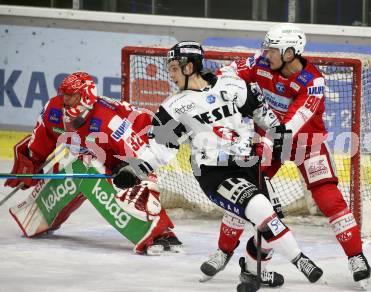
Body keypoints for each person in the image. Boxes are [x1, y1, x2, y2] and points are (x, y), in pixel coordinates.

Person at [113, 41, 324, 289]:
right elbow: (158, 151)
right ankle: (301, 261)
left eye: (173, 68)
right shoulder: (173, 108)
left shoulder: (234, 86)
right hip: (214, 173)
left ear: (189, 66)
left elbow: (267, 119)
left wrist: (276, 138)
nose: (170, 75)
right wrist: (133, 170)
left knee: (272, 223)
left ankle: (252, 270)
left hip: (249, 165)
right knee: (261, 212)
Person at [201, 23, 371, 287]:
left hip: (305, 142)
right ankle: (223, 252)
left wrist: (273, 138)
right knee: (247, 194)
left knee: (330, 199)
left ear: (290, 53)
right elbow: (230, 71)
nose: (266, 54)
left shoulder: (313, 81)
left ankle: (356, 257)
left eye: (272, 50)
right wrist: (222, 83)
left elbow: (295, 121)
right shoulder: (261, 62)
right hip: (269, 138)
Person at [4, 71, 182, 255]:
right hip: (91, 154)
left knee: (120, 183)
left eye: (71, 95)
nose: (65, 100)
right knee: (80, 165)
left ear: (85, 96)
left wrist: (131, 170)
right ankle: (35, 214)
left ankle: (157, 232)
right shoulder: (53, 109)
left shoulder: (109, 120)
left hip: (136, 148)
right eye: (64, 94)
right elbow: (43, 138)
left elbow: (143, 156)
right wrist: (31, 163)